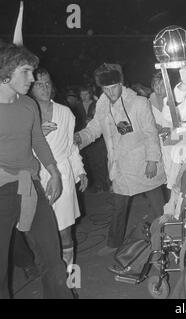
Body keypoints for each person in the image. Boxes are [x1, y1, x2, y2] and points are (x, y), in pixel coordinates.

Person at [0, 43, 73, 298]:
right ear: (7, 72)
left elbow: (38, 141)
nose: (32, 79)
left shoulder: (28, 105)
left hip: (29, 186)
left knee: (52, 261)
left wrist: (53, 172)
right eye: (27, 71)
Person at [74, 63, 166, 256]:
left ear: (121, 83)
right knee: (118, 207)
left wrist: (152, 160)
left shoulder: (139, 102)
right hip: (120, 166)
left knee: (159, 207)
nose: (110, 93)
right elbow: (95, 128)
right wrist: (80, 137)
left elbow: (151, 133)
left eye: (114, 87)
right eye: (105, 89)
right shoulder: (102, 104)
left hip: (143, 164)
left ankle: (168, 238)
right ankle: (114, 243)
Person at [29, 67, 88, 271]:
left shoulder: (65, 112)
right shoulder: (27, 112)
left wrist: (80, 169)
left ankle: (70, 276)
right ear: (30, 86)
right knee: (40, 230)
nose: (44, 88)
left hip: (62, 173)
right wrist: (35, 136)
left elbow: (70, 146)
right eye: (39, 84)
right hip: (36, 175)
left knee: (64, 229)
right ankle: (50, 273)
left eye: (47, 83)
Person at [79, 84, 110, 192]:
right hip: (85, 138)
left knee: (101, 162)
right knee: (90, 163)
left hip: (98, 140)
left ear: (90, 94)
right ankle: (96, 185)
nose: (84, 97)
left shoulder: (97, 104)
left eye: (86, 94)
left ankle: (106, 185)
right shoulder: (77, 106)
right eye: (82, 94)